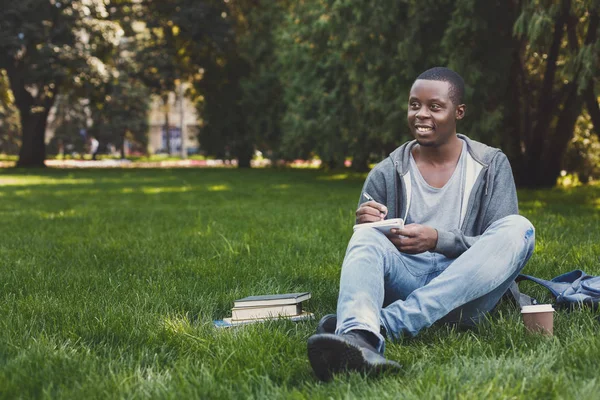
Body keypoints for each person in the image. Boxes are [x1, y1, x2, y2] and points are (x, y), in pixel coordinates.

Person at [307, 67, 535, 381]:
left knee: (519, 228)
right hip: (407, 279)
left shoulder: (491, 165)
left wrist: (437, 239)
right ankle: (361, 336)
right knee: (365, 241)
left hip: (467, 293)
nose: (421, 114)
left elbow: (498, 252)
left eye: (434, 107)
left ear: (459, 112)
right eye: (414, 105)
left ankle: (376, 327)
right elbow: (369, 257)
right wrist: (367, 223)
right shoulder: (387, 172)